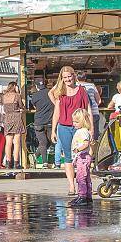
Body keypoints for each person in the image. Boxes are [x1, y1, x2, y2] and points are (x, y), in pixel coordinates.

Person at [50, 66, 90, 196]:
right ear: (62, 79)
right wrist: (53, 130)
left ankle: (83, 185)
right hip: (64, 127)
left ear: (74, 76)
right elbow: (57, 112)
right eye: (65, 77)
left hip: (81, 127)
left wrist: (91, 129)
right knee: (68, 156)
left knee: (83, 156)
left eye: (69, 76)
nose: (67, 79)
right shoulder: (60, 92)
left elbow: (88, 109)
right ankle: (72, 186)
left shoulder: (82, 91)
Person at [68, 108, 94, 207]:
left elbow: (86, 143)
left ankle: (82, 196)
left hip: (83, 157)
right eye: (73, 121)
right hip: (83, 157)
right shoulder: (83, 131)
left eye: (76, 122)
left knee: (80, 177)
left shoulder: (82, 131)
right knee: (86, 177)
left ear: (83, 121)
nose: (74, 123)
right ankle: (87, 196)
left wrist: (78, 150)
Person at [1, 82, 26, 169]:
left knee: (8, 143)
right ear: (15, 86)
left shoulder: (4, 96)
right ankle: (16, 163)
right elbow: (22, 107)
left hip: (7, 119)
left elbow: (4, 109)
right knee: (16, 142)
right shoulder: (17, 95)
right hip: (16, 118)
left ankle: (8, 162)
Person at [30, 79, 54, 168]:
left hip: (39, 121)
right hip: (50, 121)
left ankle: (42, 162)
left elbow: (35, 107)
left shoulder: (35, 96)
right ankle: (37, 157)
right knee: (50, 141)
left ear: (36, 86)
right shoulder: (51, 92)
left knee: (43, 142)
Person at [77, 74, 102, 140]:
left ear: (76, 78)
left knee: (80, 136)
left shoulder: (74, 86)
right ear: (85, 78)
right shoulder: (92, 85)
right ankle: (93, 148)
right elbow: (99, 101)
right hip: (94, 113)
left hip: (79, 114)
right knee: (93, 136)